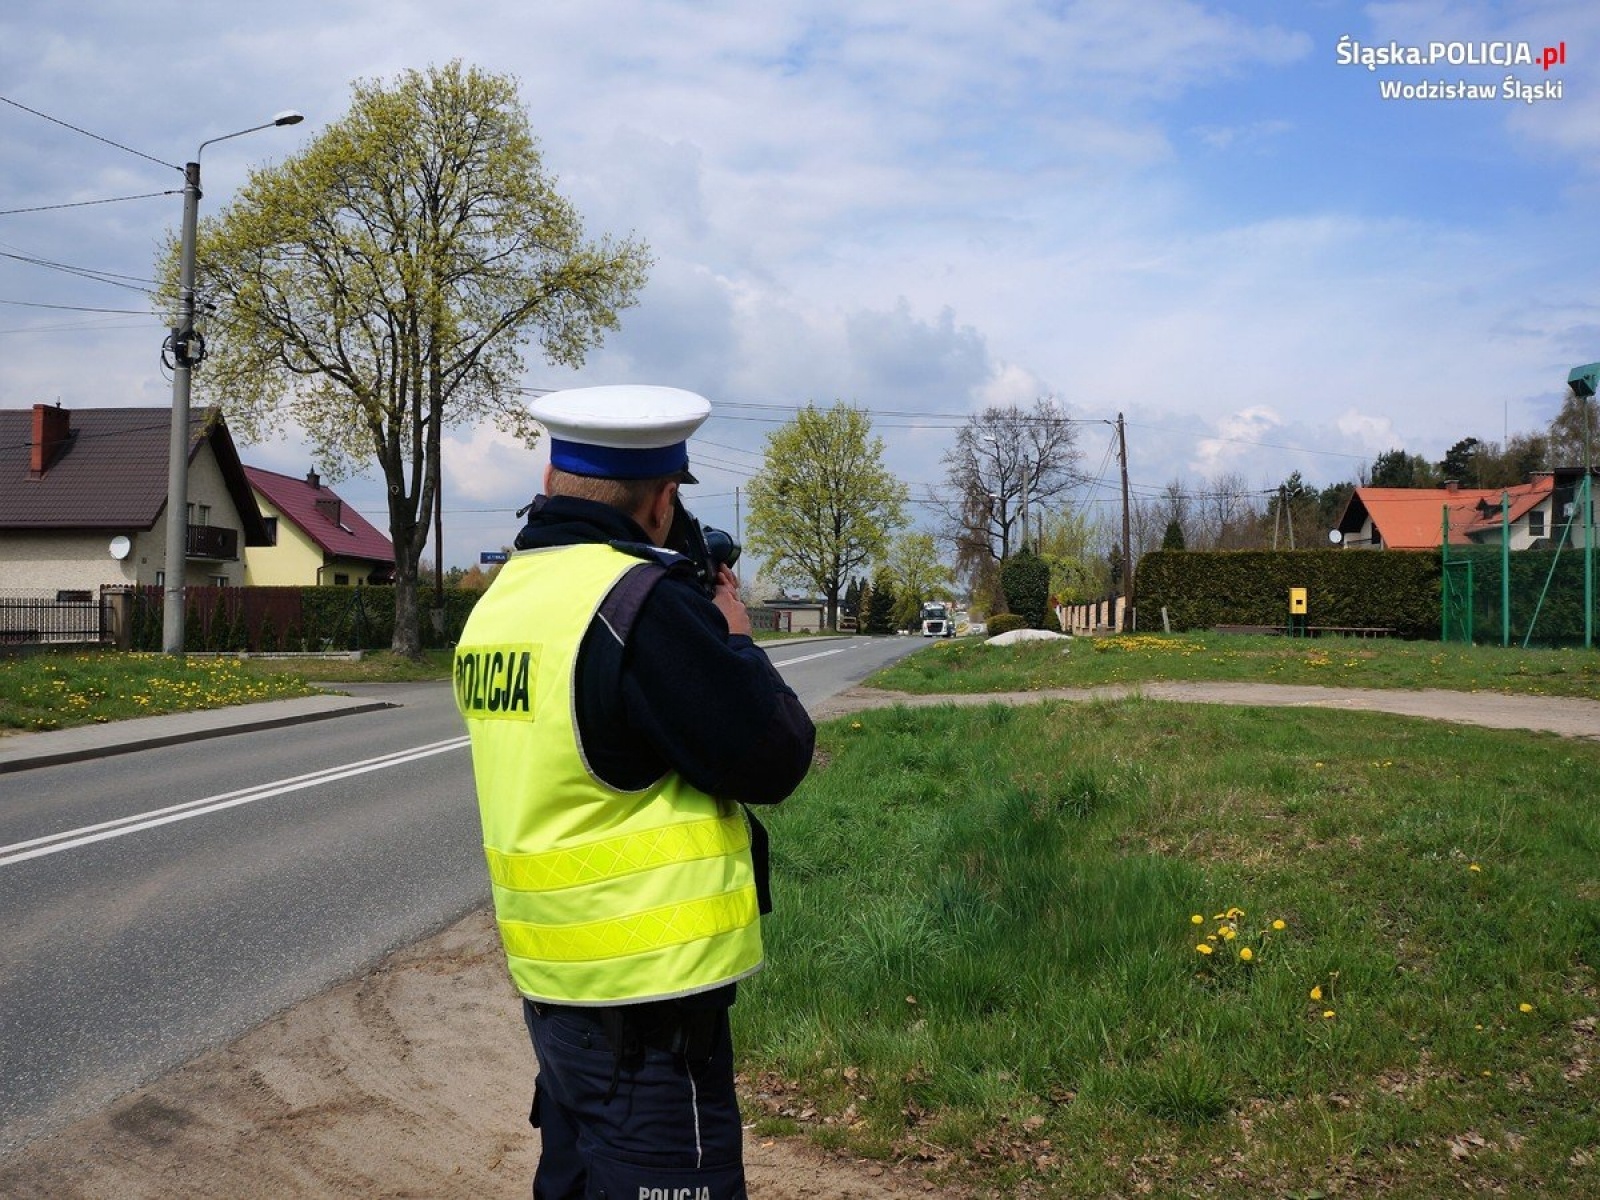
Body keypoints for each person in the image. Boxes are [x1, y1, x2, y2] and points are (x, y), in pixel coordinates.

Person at [454, 384, 815, 1199]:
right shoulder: (633, 606)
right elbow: (776, 756)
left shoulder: (501, 603)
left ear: (552, 476)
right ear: (661, 499)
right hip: (650, 1017)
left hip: (556, 995)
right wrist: (737, 642)